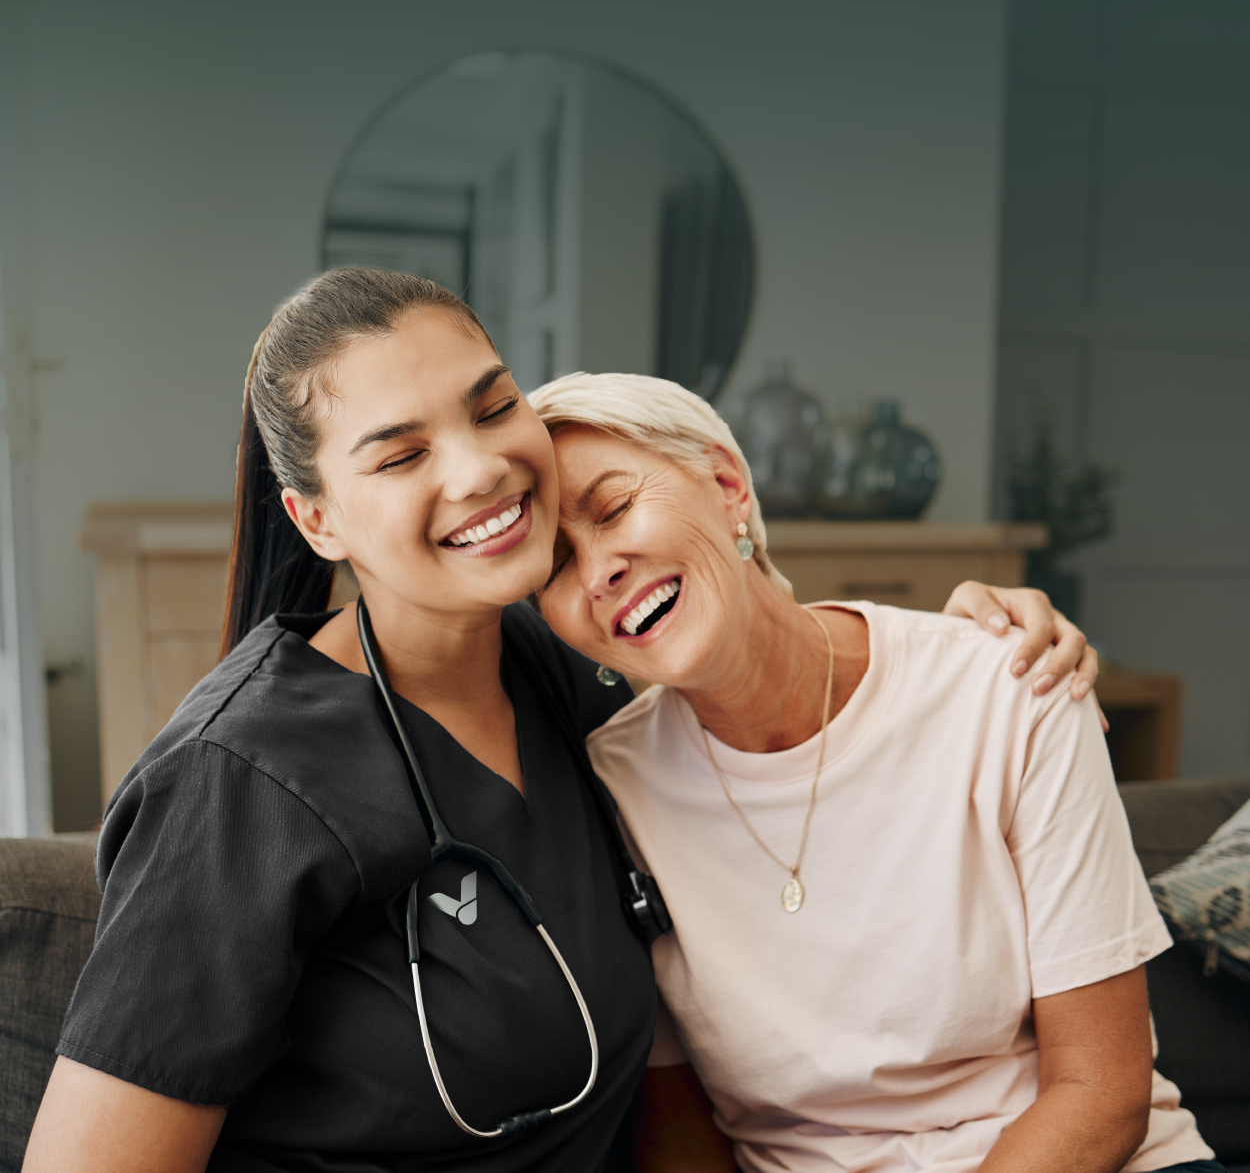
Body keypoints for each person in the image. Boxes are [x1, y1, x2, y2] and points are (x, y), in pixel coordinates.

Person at [25, 270, 1094, 1173]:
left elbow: (753, 650)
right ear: (316, 517)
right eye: (399, 455)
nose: (480, 466)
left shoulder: (564, 664)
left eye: (492, 406)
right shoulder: (238, 777)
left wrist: (964, 642)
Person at [527, 371, 1220, 1173]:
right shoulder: (609, 790)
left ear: (726, 487)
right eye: (553, 567)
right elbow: (678, 1128)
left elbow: (1102, 1092)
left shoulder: (1012, 687)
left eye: (613, 509)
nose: (598, 570)